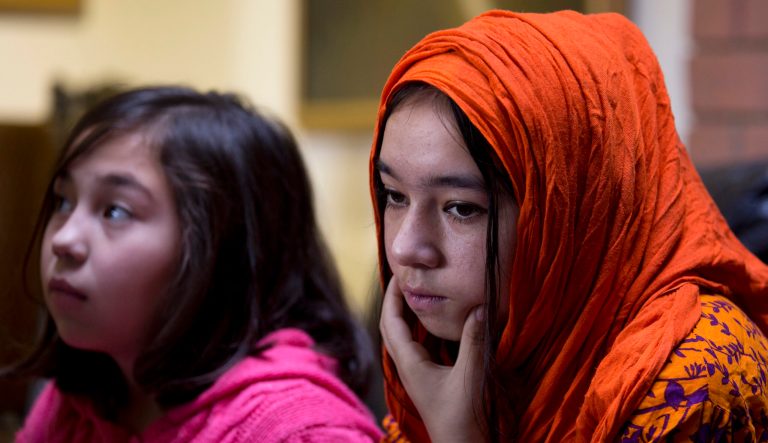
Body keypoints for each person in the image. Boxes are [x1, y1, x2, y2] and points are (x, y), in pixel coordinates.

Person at [370, 10, 768, 442]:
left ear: (575, 212)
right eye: (395, 196)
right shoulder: (458, 351)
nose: (405, 248)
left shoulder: (693, 378)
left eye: (462, 209)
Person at [7, 86, 383, 442]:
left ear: (220, 246)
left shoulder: (300, 431)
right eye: (63, 202)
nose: (63, 240)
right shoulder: (82, 396)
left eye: (115, 211)